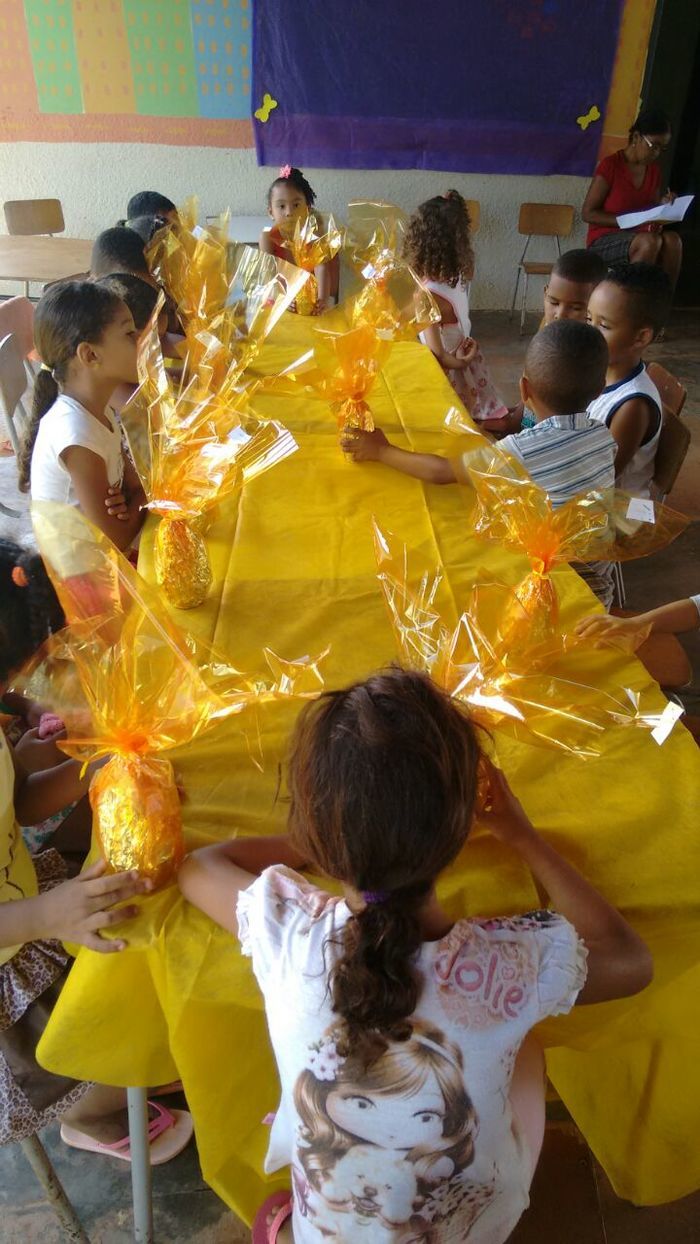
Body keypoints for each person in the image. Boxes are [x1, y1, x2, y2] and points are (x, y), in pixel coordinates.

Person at [178, 668, 652, 1243]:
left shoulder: (291, 932)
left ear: (316, 830)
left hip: (320, 1233)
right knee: (524, 1046)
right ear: (460, 829)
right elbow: (630, 963)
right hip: (473, 1227)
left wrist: (331, 835)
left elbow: (198, 868)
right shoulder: (512, 965)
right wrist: (522, 835)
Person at [0, 572, 193, 1160]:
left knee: (135, 965)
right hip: (14, 960)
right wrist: (43, 915)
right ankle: (91, 1114)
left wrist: (94, 766)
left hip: (32, 907)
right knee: (92, 1042)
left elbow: (17, 802)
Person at [343, 321, 616, 605]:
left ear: (524, 389)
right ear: (599, 390)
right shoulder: (603, 436)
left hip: (553, 591)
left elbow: (441, 471)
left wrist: (382, 451)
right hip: (599, 586)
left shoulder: (518, 451)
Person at [19, 281, 146, 552]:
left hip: (98, 564)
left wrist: (135, 495)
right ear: (90, 354)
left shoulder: (100, 411)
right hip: (80, 583)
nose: (141, 342)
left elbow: (134, 482)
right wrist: (144, 496)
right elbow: (116, 539)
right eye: (129, 334)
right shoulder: (77, 432)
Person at [403, 190, 507, 422]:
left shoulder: (427, 296)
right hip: (464, 354)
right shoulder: (456, 276)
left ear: (417, 242)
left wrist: (462, 363)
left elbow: (437, 354)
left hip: (450, 368)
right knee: (472, 410)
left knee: (453, 419)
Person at [485, 249, 607, 438]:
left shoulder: (590, 359)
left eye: (576, 307)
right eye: (553, 302)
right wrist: (512, 421)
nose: (560, 314)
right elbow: (533, 389)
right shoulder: (547, 329)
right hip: (526, 432)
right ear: (545, 293)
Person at [586, 262, 670, 497]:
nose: (589, 333)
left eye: (603, 325)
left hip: (623, 515)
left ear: (640, 337)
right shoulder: (596, 373)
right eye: (587, 319)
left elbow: (600, 479)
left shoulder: (633, 406)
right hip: (591, 497)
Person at [582, 107, 682, 291]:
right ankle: (628, 306)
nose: (657, 153)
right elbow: (588, 213)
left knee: (673, 241)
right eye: (654, 145)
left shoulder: (653, 171)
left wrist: (663, 206)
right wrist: (625, 221)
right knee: (650, 242)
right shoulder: (611, 165)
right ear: (636, 137)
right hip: (604, 240)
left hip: (640, 235)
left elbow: (651, 210)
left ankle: (660, 304)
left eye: (662, 148)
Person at [259, 166, 332, 312]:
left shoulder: (313, 235)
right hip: (278, 306)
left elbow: (322, 268)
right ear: (270, 212)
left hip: (310, 305)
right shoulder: (267, 237)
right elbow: (267, 274)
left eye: (296, 205)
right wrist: (282, 298)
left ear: (308, 209)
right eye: (281, 206)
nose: (289, 212)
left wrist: (322, 299)